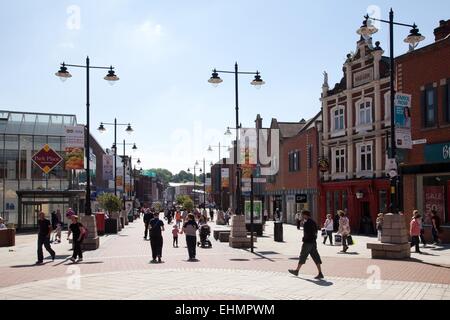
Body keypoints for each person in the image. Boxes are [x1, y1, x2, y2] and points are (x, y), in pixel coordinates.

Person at [288, 210, 324, 279]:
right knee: (316, 256)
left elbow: (307, 233)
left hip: (308, 242)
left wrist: (304, 239)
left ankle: (297, 271)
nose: (301, 216)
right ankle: (320, 273)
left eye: (302, 214)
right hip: (313, 242)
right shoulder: (313, 222)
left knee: (303, 256)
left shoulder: (307, 223)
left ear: (305, 215)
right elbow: (316, 232)